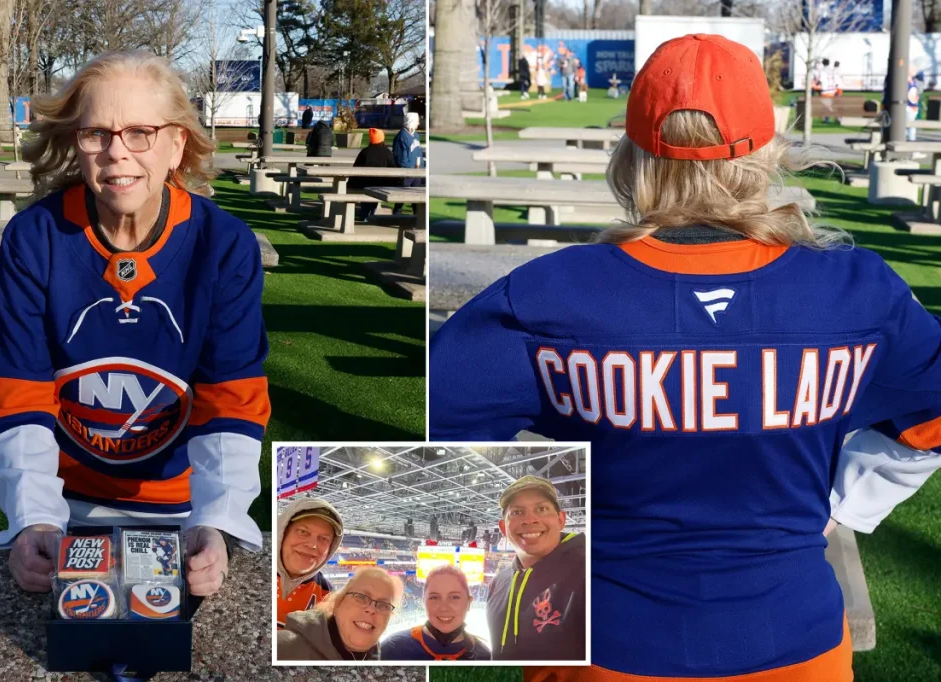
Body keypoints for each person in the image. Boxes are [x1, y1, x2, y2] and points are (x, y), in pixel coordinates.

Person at [429, 33, 941, 681]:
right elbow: (930, 420)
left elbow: (444, 432)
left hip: (601, 639)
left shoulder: (547, 294)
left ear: (631, 155)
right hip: (792, 635)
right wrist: (846, 506)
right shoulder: (855, 290)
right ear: (765, 150)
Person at [0, 50, 271, 598]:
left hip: (182, 509)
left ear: (176, 144)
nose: (116, 153)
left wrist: (218, 519)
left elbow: (231, 396)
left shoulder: (224, 244)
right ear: (75, 143)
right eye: (96, 133)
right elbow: (16, 394)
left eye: (141, 132)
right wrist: (34, 518)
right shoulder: (33, 238)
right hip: (64, 503)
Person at [484, 476, 585, 661]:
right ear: (503, 528)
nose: (530, 520)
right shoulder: (498, 583)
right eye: (516, 512)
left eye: (542, 508)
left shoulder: (588, 573)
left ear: (561, 519)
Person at [277, 567, 404, 661]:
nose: (371, 609)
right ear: (338, 603)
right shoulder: (281, 649)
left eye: (383, 605)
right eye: (361, 597)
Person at [380, 563, 492, 660]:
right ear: (424, 601)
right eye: (434, 597)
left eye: (454, 597)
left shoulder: (484, 656)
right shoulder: (392, 648)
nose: (444, 607)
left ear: (468, 602)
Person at [276, 498, 344, 628]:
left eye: (323, 539)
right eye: (303, 532)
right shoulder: (254, 568)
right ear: (283, 532)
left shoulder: (329, 598)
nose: (312, 545)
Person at [352, 127, 396, 222]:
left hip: (363, 184)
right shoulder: (387, 153)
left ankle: (365, 216)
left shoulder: (365, 152)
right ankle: (369, 215)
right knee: (372, 199)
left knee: (366, 200)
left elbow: (355, 169)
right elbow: (393, 169)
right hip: (382, 185)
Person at [391, 112, 423, 216]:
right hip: (407, 172)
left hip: (417, 172)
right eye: (416, 121)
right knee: (402, 196)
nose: (418, 124)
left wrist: (421, 166)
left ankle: (418, 216)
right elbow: (400, 157)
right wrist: (409, 169)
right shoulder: (402, 137)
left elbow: (418, 152)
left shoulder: (416, 135)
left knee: (417, 198)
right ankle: (396, 214)